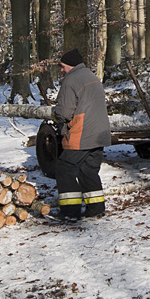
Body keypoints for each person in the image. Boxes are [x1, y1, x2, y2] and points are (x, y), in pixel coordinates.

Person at [53, 49, 110, 220]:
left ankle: (70, 212)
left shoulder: (71, 80)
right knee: (88, 170)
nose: (61, 70)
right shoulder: (92, 77)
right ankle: (96, 208)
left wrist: (56, 117)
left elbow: (64, 112)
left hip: (82, 132)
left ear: (70, 65)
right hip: (100, 133)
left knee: (64, 168)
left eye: (62, 67)